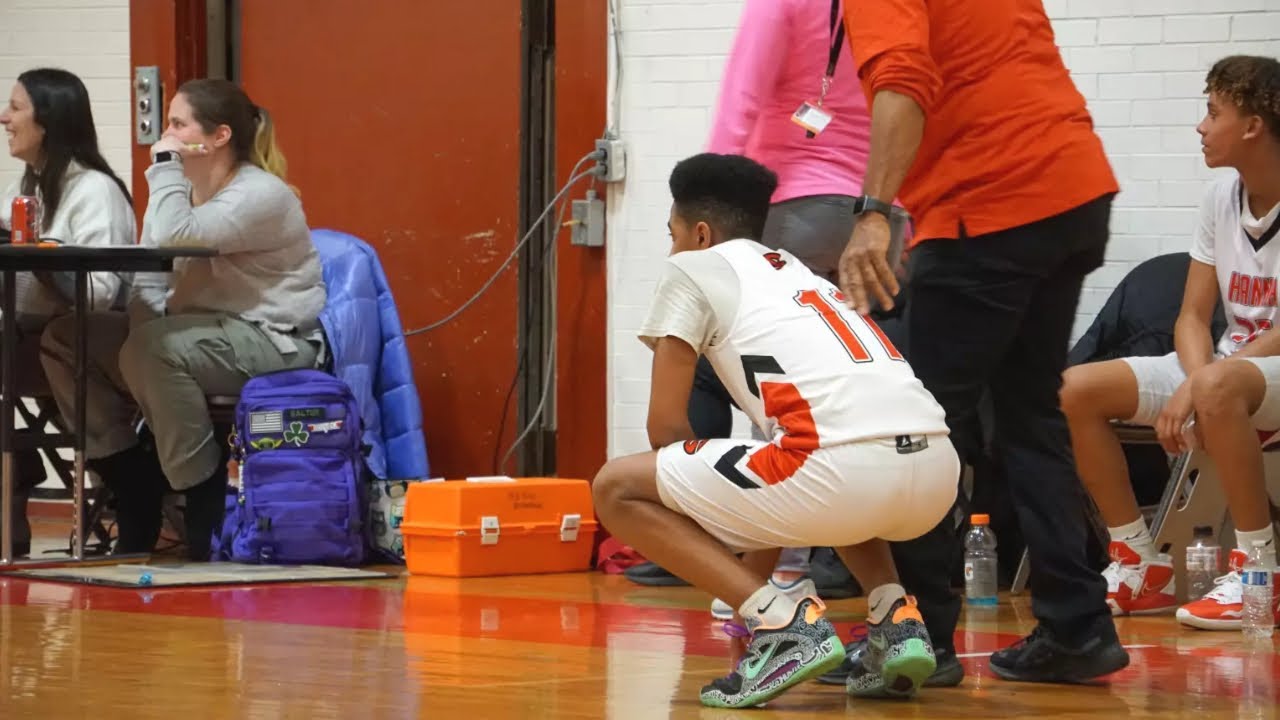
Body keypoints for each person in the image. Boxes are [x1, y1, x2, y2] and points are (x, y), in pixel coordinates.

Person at [591, 152, 958, 708]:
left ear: (700, 233)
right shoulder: (796, 271)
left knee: (615, 487)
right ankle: (896, 620)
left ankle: (781, 625)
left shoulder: (692, 268)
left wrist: (708, 533)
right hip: (936, 471)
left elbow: (665, 429)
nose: (671, 248)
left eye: (671, 234)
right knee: (822, 467)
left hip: (839, 471)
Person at [836, 0, 1129, 681]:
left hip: (988, 203)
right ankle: (1077, 627)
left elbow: (903, 79)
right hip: (1072, 188)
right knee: (1031, 419)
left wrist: (874, 213)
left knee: (921, 427)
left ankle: (917, 640)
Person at [40, 79, 326, 560]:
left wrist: (165, 166)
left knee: (156, 350)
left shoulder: (260, 193)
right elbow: (150, 276)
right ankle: (132, 480)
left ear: (218, 137)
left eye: (178, 124)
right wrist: (136, 351)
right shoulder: (178, 193)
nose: (165, 135)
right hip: (193, 336)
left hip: (270, 339)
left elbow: (177, 234)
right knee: (68, 338)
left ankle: (202, 493)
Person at [1061, 55, 1280, 630]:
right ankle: (1140, 562)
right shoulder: (1219, 198)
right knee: (1073, 389)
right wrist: (1196, 380)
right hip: (1224, 371)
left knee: (1216, 385)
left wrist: (1204, 384)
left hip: (1262, 371)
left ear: (1253, 126)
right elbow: (1191, 316)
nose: (1201, 127)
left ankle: (1261, 572)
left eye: (1213, 113)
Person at [0, 68, 136, 556]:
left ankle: (18, 468)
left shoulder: (95, 190)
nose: (4, 118)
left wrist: (39, 258)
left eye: (15, 107)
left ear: (49, 120)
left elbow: (101, 293)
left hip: (80, 344)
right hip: (28, 339)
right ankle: (15, 474)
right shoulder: (31, 187)